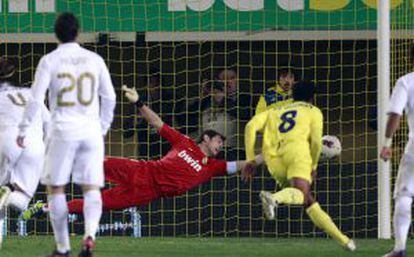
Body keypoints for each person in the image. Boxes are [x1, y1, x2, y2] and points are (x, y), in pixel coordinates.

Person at [23, 85, 262, 216]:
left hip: (147, 192)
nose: (221, 146)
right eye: (219, 141)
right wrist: (139, 102)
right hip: (141, 170)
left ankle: (45, 207)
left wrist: (267, 156)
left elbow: (241, 164)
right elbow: (157, 123)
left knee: (97, 203)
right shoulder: (184, 142)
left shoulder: (212, 168)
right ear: (206, 138)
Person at [13, 13, 116, 257]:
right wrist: (101, 128)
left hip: (62, 131)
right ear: (78, 32)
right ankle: (89, 236)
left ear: (56, 34)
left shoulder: (50, 60)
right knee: (91, 189)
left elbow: (36, 100)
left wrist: (24, 129)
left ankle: (62, 248)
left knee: (56, 190)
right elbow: (110, 97)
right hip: (90, 132)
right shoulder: (95, 59)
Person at [243, 81, 355, 251]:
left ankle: (345, 241)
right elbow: (317, 142)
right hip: (297, 154)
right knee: (302, 194)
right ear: (312, 98)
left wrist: (250, 159)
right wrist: (314, 165)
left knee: (307, 199)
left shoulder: (275, 111)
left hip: (273, 159)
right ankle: (273, 199)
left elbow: (250, 126)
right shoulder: (313, 111)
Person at [0, 58, 49, 246]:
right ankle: (8, 194)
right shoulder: (31, 94)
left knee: (1, 196)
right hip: (34, 144)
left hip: (5, 141)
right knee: (21, 203)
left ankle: (5, 191)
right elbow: (50, 124)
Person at [379, 64, 414, 257]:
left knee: (404, 195)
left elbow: (395, 115)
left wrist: (386, 144)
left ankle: (400, 248)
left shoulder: (406, 81)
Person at [123, 67, 174, 159]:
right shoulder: (140, 102)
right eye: (151, 83)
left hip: (167, 153)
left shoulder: (170, 102)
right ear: (147, 86)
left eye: (157, 83)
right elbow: (126, 133)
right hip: (146, 154)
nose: (154, 86)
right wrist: (135, 122)